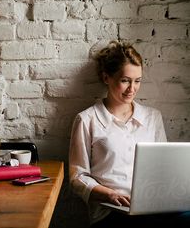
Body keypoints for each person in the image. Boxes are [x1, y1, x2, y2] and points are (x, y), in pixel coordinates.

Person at [69, 40, 190, 228]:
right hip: (111, 209)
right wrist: (110, 194)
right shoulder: (87, 120)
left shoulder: (152, 117)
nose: (132, 89)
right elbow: (77, 177)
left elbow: (164, 169)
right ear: (106, 77)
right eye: (125, 80)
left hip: (153, 205)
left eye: (137, 81)